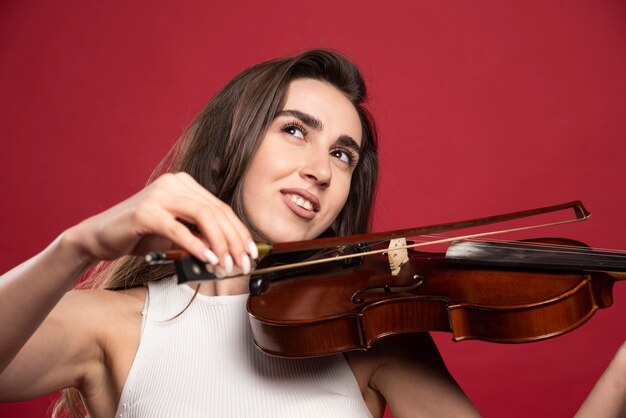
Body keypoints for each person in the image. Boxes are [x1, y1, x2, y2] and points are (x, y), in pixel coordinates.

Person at [0, 49, 624, 418]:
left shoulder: (370, 335)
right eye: (294, 130)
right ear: (227, 153)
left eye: (344, 154)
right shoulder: (112, 325)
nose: (320, 169)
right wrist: (78, 244)